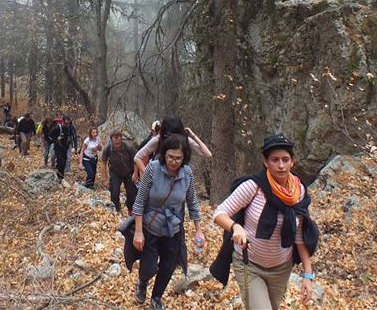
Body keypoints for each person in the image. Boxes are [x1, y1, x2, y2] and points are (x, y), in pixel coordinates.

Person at [212, 134, 316, 309]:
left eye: (285, 159)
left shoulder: (299, 192)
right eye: (275, 160)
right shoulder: (253, 187)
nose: (281, 165)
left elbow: (299, 234)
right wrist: (236, 227)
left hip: (282, 268)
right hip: (250, 263)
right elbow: (219, 212)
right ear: (266, 162)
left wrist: (308, 274)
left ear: (293, 162)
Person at [130, 135, 203, 310]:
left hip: (173, 228)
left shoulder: (187, 174)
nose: (174, 161)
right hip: (151, 226)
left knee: (168, 265)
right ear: (164, 154)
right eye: (170, 157)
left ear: (184, 157)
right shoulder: (153, 169)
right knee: (148, 267)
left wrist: (198, 230)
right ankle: (143, 281)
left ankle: (156, 297)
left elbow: (192, 202)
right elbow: (139, 201)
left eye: (178, 158)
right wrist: (138, 232)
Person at [133, 117, 211, 181]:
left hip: (179, 179)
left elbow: (207, 154)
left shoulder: (185, 140)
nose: (173, 138)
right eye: (170, 135)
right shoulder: (158, 140)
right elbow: (137, 157)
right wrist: (148, 175)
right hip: (159, 180)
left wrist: (193, 135)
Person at [101, 131, 137, 214]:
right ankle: (116, 209)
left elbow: (136, 160)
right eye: (115, 144)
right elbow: (103, 162)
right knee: (114, 192)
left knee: (131, 193)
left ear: (121, 140)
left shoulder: (129, 147)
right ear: (111, 142)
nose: (117, 145)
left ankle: (131, 210)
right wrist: (104, 178)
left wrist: (135, 173)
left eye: (119, 143)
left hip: (129, 172)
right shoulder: (108, 148)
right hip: (115, 172)